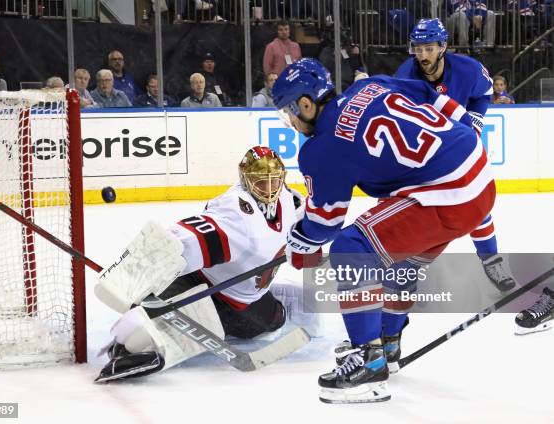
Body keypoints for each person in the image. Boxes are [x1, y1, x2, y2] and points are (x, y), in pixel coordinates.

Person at [272, 58, 495, 403]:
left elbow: (326, 224)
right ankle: (388, 342)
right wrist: (467, 130)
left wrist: (299, 242)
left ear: (305, 103)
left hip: (446, 194)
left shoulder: (321, 147)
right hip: (477, 173)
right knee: (398, 258)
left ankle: (368, 360)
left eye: (289, 112)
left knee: (352, 248)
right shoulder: (370, 84)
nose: (291, 121)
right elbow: (432, 95)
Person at [94, 146, 318, 382]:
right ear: (246, 180)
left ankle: (273, 298)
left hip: (245, 302)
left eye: (275, 182)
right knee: (148, 322)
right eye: (261, 182)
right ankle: (133, 344)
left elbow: (309, 227)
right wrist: (133, 274)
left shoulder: (290, 199)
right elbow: (185, 240)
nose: (270, 189)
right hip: (200, 283)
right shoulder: (235, 212)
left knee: (273, 322)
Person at [395, 18, 515, 293]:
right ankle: (408, 267)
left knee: (475, 205)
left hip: (459, 145)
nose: (422, 56)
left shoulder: (468, 69)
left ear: (442, 47)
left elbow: (484, 94)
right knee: (416, 210)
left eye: (428, 48)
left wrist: (474, 120)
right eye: (417, 49)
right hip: (423, 148)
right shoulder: (405, 76)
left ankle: (491, 260)